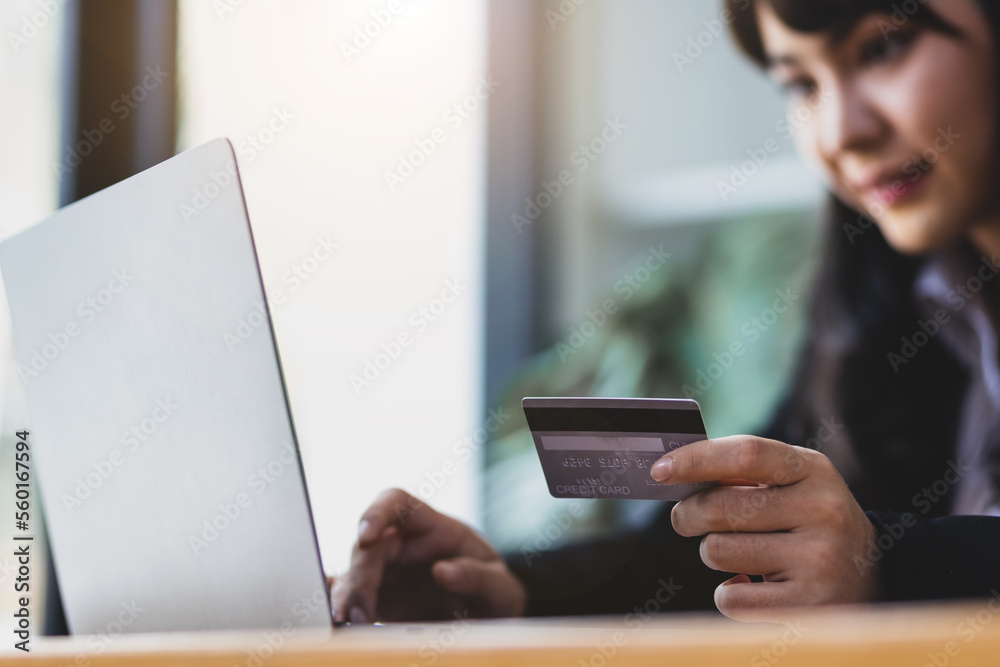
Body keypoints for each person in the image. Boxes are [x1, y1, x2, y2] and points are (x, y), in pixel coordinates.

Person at [331, 0, 1000, 624]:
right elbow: (717, 553)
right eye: (800, 85)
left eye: (884, 47)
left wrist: (888, 562)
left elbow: (866, 555)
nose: (842, 131)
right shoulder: (894, 283)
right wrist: (506, 585)